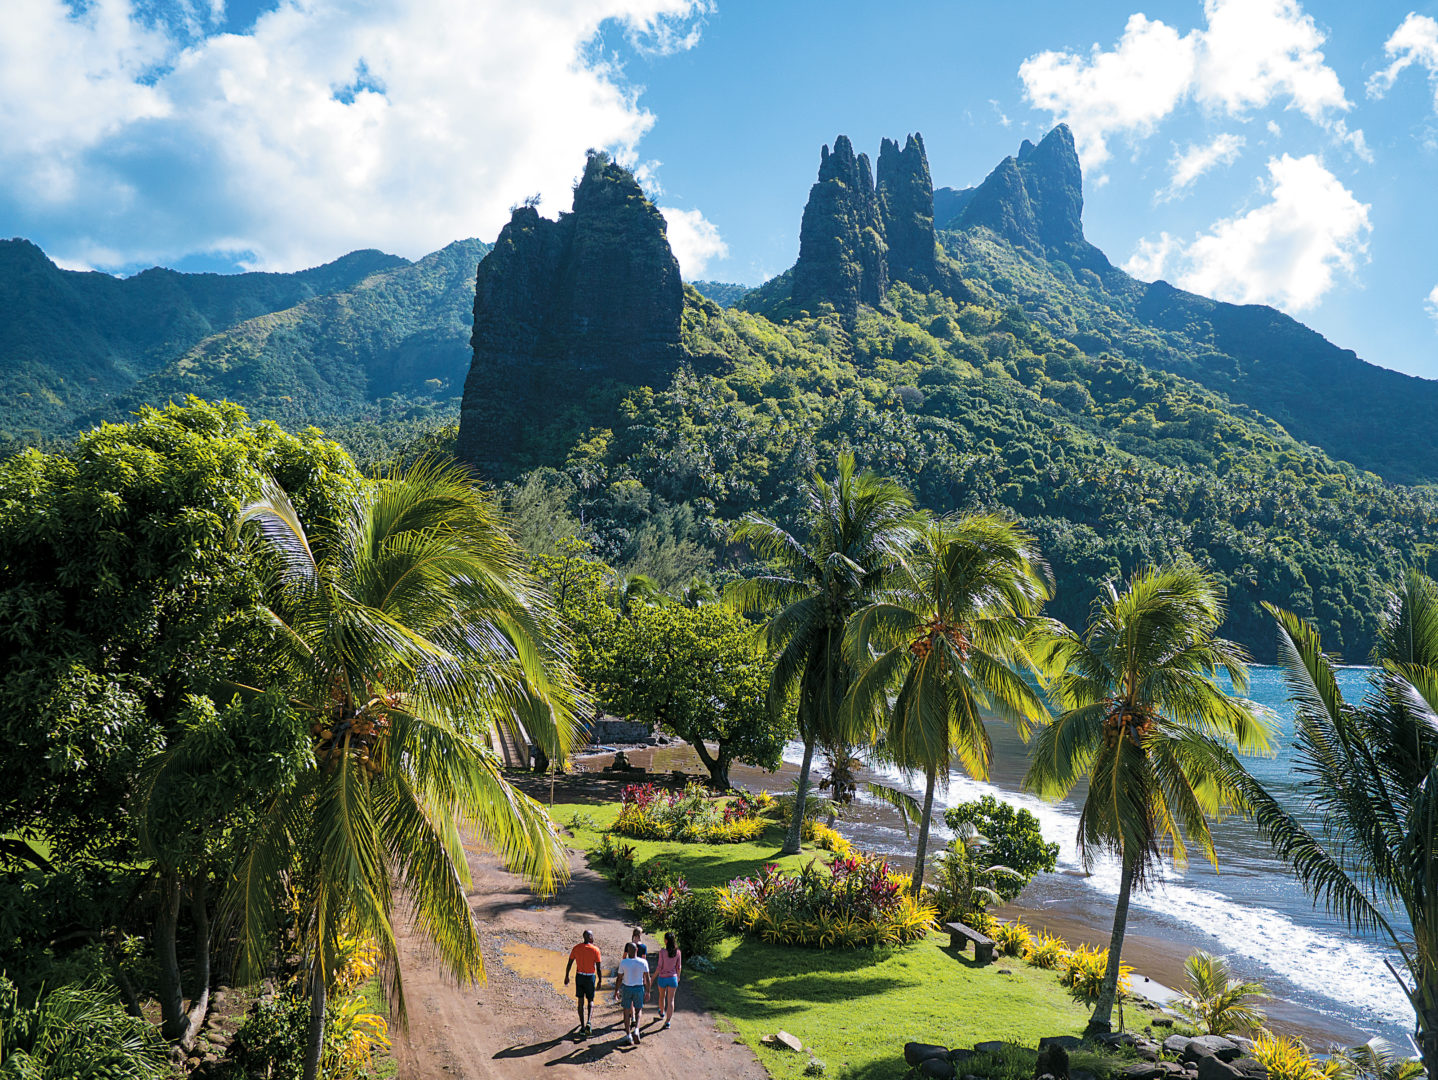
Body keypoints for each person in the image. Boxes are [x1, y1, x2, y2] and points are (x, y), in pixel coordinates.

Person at [563, 929, 602, 1037]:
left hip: (579, 976)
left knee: (580, 1002)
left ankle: (582, 1027)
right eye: (592, 936)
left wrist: (566, 976)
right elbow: (598, 968)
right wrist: (600, 981)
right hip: (590, 978)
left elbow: (569, 963)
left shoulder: (576, 948)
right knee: (590, 1000)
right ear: (589, 937)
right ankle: (589, 1021)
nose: (593, 938)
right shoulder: (595, 950)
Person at [616, 941, 651, 1046]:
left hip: (627, 988)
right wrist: (648, 991)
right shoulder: (643, 962)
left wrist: (616, 990)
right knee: (639, 1009)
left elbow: (619, 978)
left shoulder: (623, 962)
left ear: (627, 952)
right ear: (637, 950)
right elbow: (647, 978)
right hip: (639, 988)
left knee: (626, 1012)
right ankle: (636, 1030)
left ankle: (628, 1035)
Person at [653, 932, 682, 1029]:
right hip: (673, 978)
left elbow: (659, 967)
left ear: (666, 941)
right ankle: (668, 1022)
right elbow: (679, 967)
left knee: (661, 997)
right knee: (671, 1000)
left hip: (662, 978)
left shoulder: (662, 952)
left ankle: (661, 1012)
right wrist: (678, 977)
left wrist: (652, 978)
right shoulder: (678, 952)